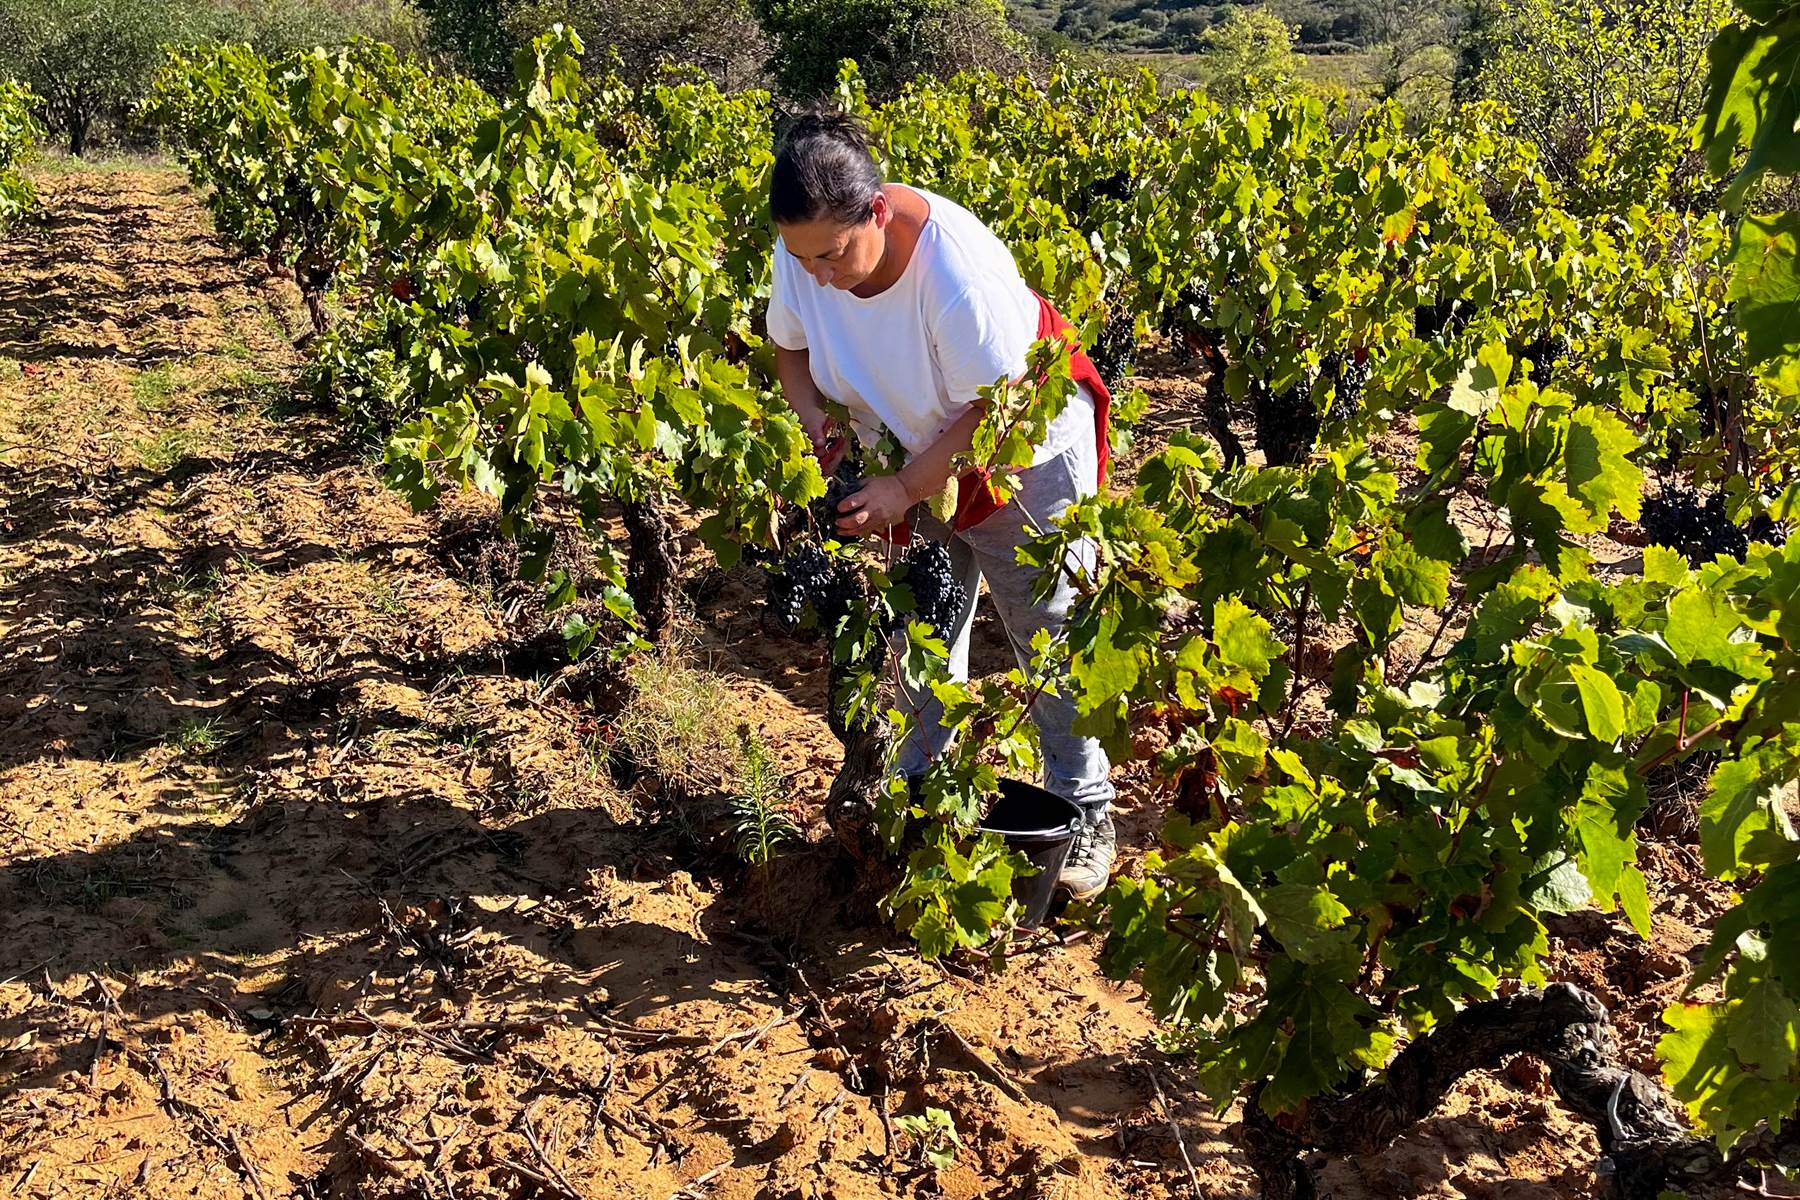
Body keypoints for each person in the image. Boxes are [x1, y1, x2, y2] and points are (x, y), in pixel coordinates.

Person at [764, 109, 1118, 898]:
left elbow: (995, 415)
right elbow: (789, 346)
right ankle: (923, 794)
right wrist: (819, 420)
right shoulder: (805, 252)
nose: (815, 273)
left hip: (1018, 450)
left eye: (831, 255)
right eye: (800, 256)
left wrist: (902, 489)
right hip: (906, 443)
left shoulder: (953, 275)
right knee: (919, 630)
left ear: (877, 212)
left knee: (1048, 632)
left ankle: (1087, 808)